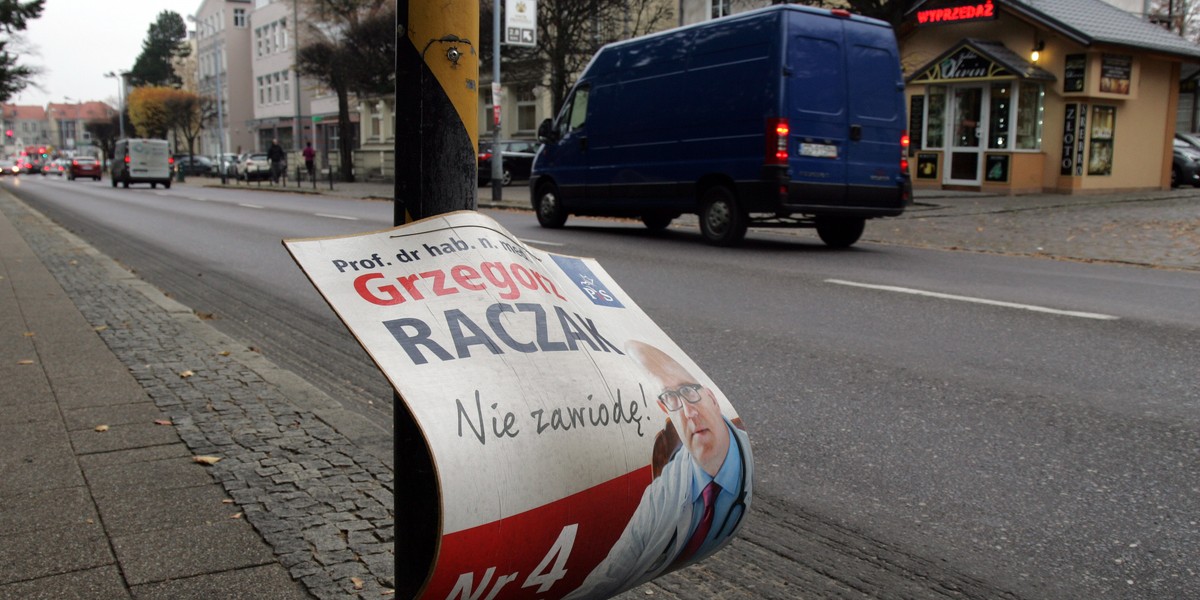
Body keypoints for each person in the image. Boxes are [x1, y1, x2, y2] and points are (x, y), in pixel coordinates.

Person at [565, 341, 753, 599]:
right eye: (672, 398)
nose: (689, 412)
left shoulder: (738, 454)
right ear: (666, 410)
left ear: (711, 397)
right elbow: (614, 567)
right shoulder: (663, 491)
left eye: (689, 391)